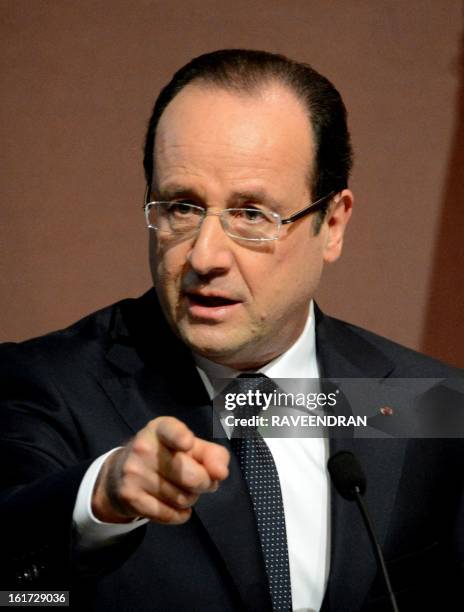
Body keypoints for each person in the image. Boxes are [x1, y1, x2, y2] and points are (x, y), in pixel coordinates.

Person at [0, 49, 463, 612]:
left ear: (333, 224)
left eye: (251, 214)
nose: (205, 255)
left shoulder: (423, 402)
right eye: (182, 207)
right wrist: (100, 499)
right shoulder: (49, 386)